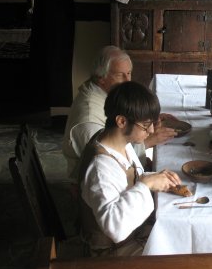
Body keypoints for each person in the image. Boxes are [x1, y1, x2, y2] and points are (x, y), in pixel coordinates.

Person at [78, 81, 182, 256]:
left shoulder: (119, 142)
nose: (150, 131)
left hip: (132, 234)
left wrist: (156, 177)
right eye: (145, 125)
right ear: (121, 121)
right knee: (179, 252)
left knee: (178, 231)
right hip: (112, 251)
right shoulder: (100, 168)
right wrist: (146, 184)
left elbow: (129, 178)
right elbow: (114, 228)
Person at [62, 45, 177, 181]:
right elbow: (109, 161)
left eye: (128, 73)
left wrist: (144, 118)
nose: (127, 80)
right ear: (101, 78)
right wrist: (147, 142)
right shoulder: (89, 120)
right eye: (119, 75)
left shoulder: (107, 93)